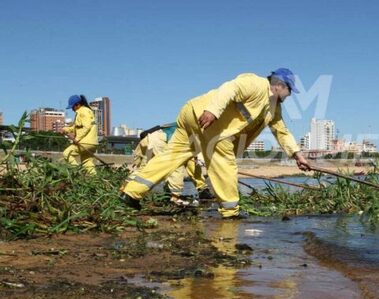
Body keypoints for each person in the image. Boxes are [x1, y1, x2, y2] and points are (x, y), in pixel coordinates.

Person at [120, 68, 311, 218]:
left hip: (192, 113)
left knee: (172, 156)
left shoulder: (272, 108)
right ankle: (230, 212)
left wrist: (297, 155)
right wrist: (213, 111)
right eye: (289, 91)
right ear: (279, 84)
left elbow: (281, 131)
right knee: (224, 163)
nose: (289, 96)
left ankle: (131, 193)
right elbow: (230, 88)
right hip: (209, 120)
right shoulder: (256, 83)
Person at [130, 123, 213, 206]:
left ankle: (127, 191)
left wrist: (137, 160)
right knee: (175, 166)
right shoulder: (190, 128)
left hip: (149, 140)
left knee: (144, 169)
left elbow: (143, 143)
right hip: (160, 141)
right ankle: (175, 197)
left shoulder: (182, 125)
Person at [61, 94, 98, 175]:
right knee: (87, 161)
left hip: (85, 142)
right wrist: (65, 129)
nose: (72, 109)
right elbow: (76, 126)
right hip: (92, 143)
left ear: (77, 104)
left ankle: (77, 173)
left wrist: (77, 138)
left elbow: (86, 127)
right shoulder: (85, 111)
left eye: (72, 107)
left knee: (67, 154)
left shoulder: (83, 111)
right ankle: (95, 179)